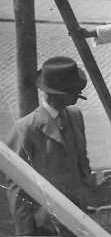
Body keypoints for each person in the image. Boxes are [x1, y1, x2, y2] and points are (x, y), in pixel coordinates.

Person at [6, 57, 93, 236]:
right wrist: (26, 231)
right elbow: (16, 184)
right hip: (45, 225)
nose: (79, 93)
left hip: (77, 219)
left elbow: (82, 160)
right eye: (73, 90)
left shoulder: (75, 116)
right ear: (55, 94)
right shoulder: (26, 129)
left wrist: (84, 191)